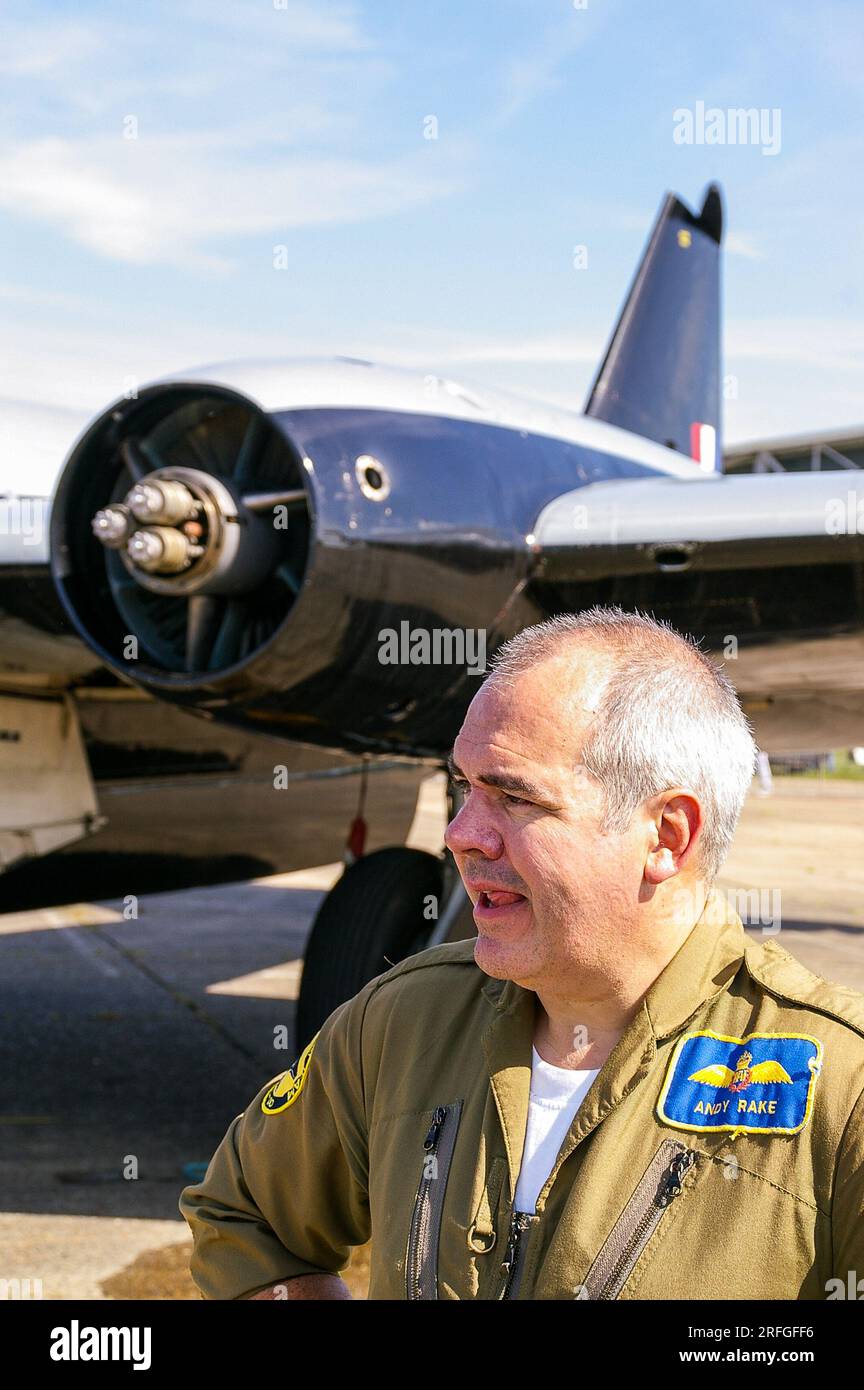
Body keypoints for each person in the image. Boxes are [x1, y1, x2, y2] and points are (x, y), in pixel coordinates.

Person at [179, 606, 864, 1300]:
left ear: (667, 836)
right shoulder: (399, 1022)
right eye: (464, 789)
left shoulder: (841, 1088)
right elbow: (244, 1219)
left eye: (513, 797)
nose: (460, 834)